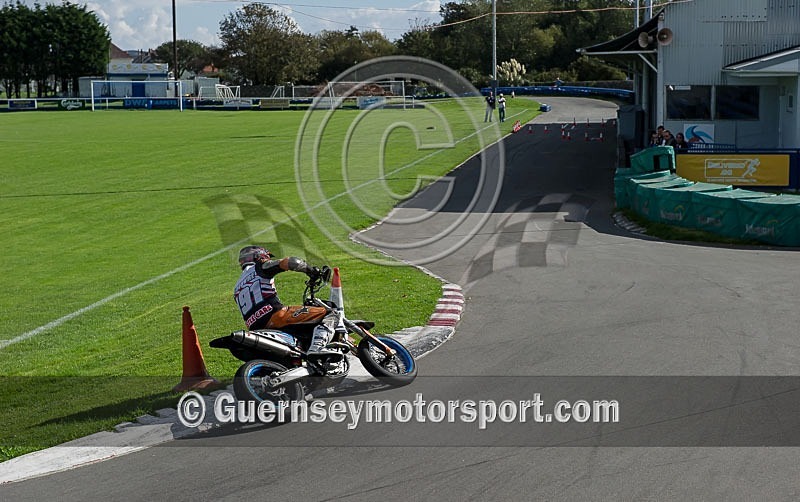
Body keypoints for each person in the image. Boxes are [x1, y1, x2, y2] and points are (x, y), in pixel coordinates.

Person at [233, 245, 341, 362]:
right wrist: (311, 271)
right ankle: (317, 348)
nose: (268, 259)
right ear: (259, 256)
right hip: (276, 316)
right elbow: (291, 262)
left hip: (255, 327)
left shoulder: (236, 287)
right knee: (330, 312)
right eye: (267, 256)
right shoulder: (260, 268)